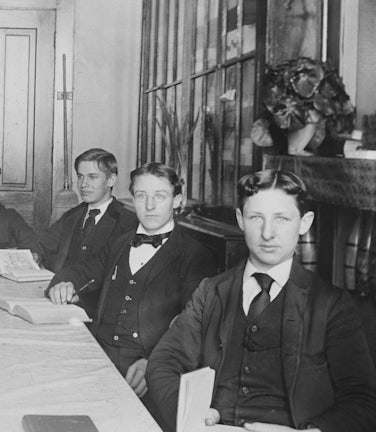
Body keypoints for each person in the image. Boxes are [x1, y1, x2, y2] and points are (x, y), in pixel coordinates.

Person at [146, 169, 376, 432]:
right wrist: (189, 414)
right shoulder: (211, 292)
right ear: (240, 219)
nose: (268, 233)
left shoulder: (331, 304)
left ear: (305, 223)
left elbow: (363, 399)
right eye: (256, 217)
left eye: (282, 218)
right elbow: (163, 361)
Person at [47, 162, 216, 403]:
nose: (149, 206)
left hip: (147, 367)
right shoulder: (119, 242)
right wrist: (65, 283)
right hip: (97, 353)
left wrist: (157, 363)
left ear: (178, 200)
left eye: (160, 196)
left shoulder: (195, 254)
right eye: (141, 195)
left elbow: (191, 326)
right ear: (132, 199)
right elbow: (82, 270)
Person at [38, 148, 137, 274]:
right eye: (80, 176)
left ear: (111, 180)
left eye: (92, 177)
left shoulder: (128, 222)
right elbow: (43, 244)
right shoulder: (71, 216)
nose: (83, 184)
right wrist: (35, 255)